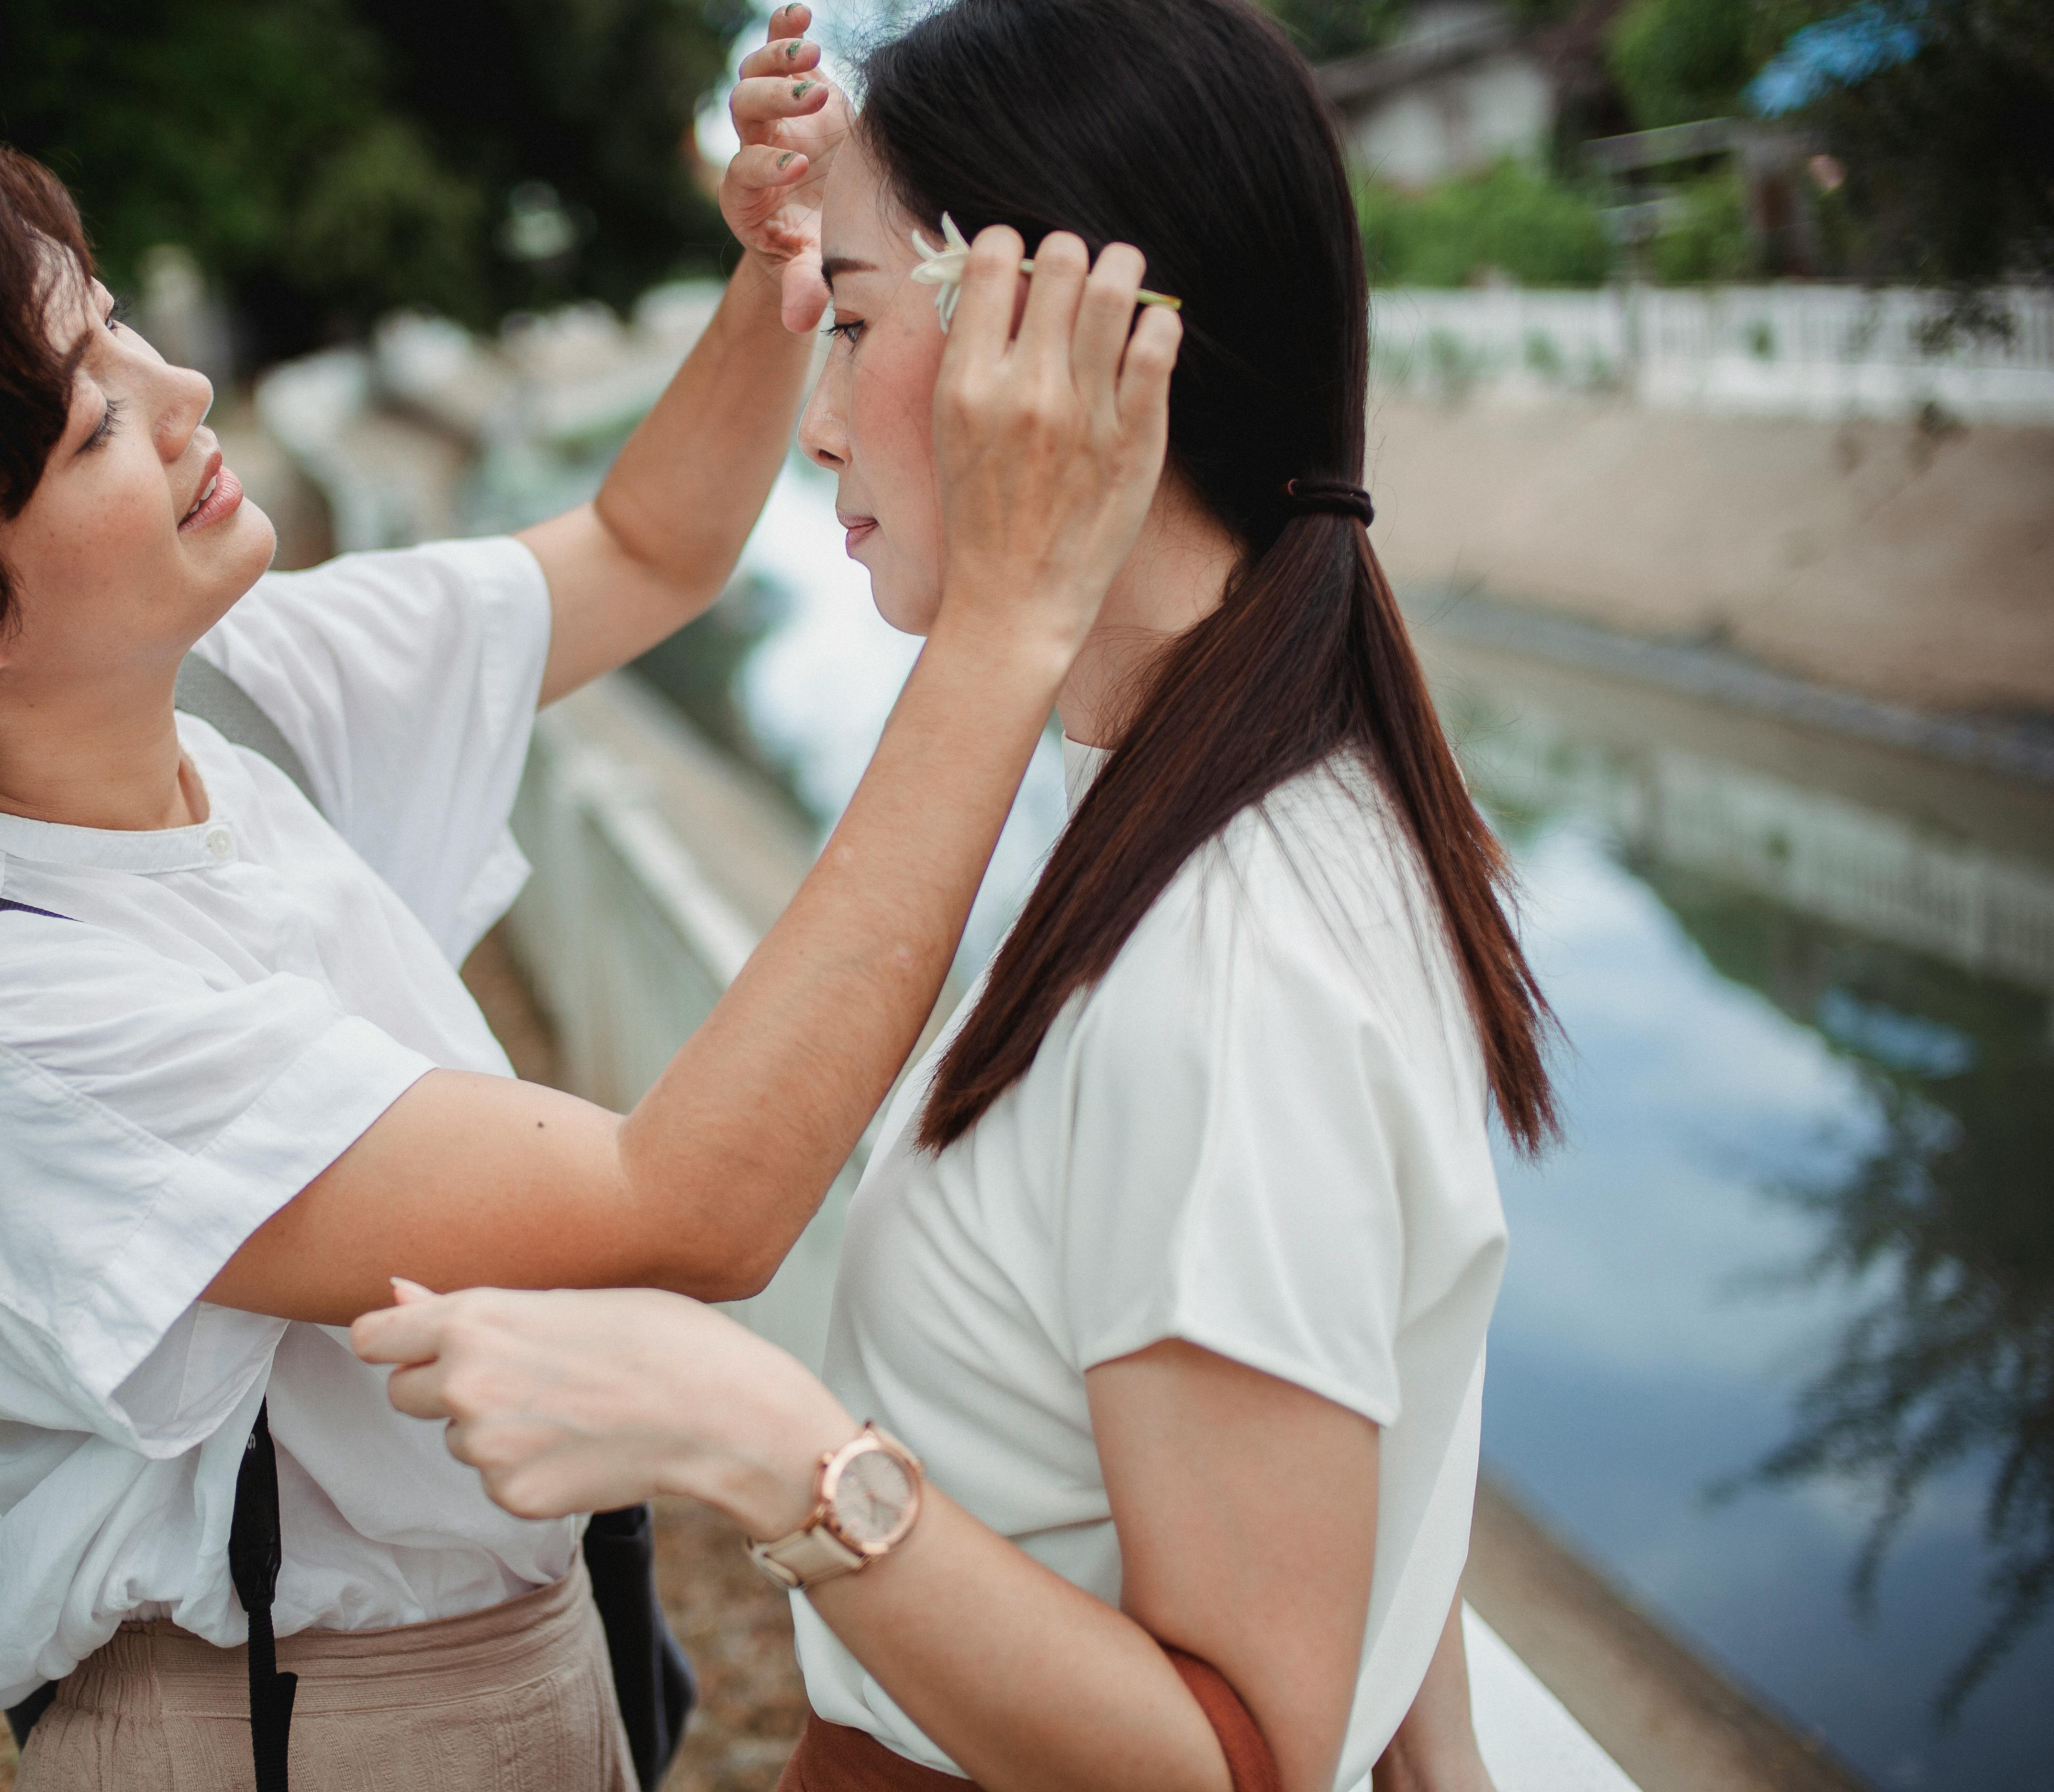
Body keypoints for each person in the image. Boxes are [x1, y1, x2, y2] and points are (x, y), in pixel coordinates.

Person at [0, 7, 1184, 1787]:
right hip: (295, 1730)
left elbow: (645, 549)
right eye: (93, 420)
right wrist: (1009, 622)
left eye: (114, 324)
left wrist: (775, 270)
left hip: (513, 1669)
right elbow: (689, 1203)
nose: (185, 395)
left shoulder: (232, 696)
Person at [349, 2, 1556, 1790]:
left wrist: (762, 1439)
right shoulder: (1243, 788)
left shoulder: (1227, 957)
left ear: (1039, 335)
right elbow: (1369, 1441)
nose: (821, 428)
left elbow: (1244, 1760)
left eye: (847, 322)